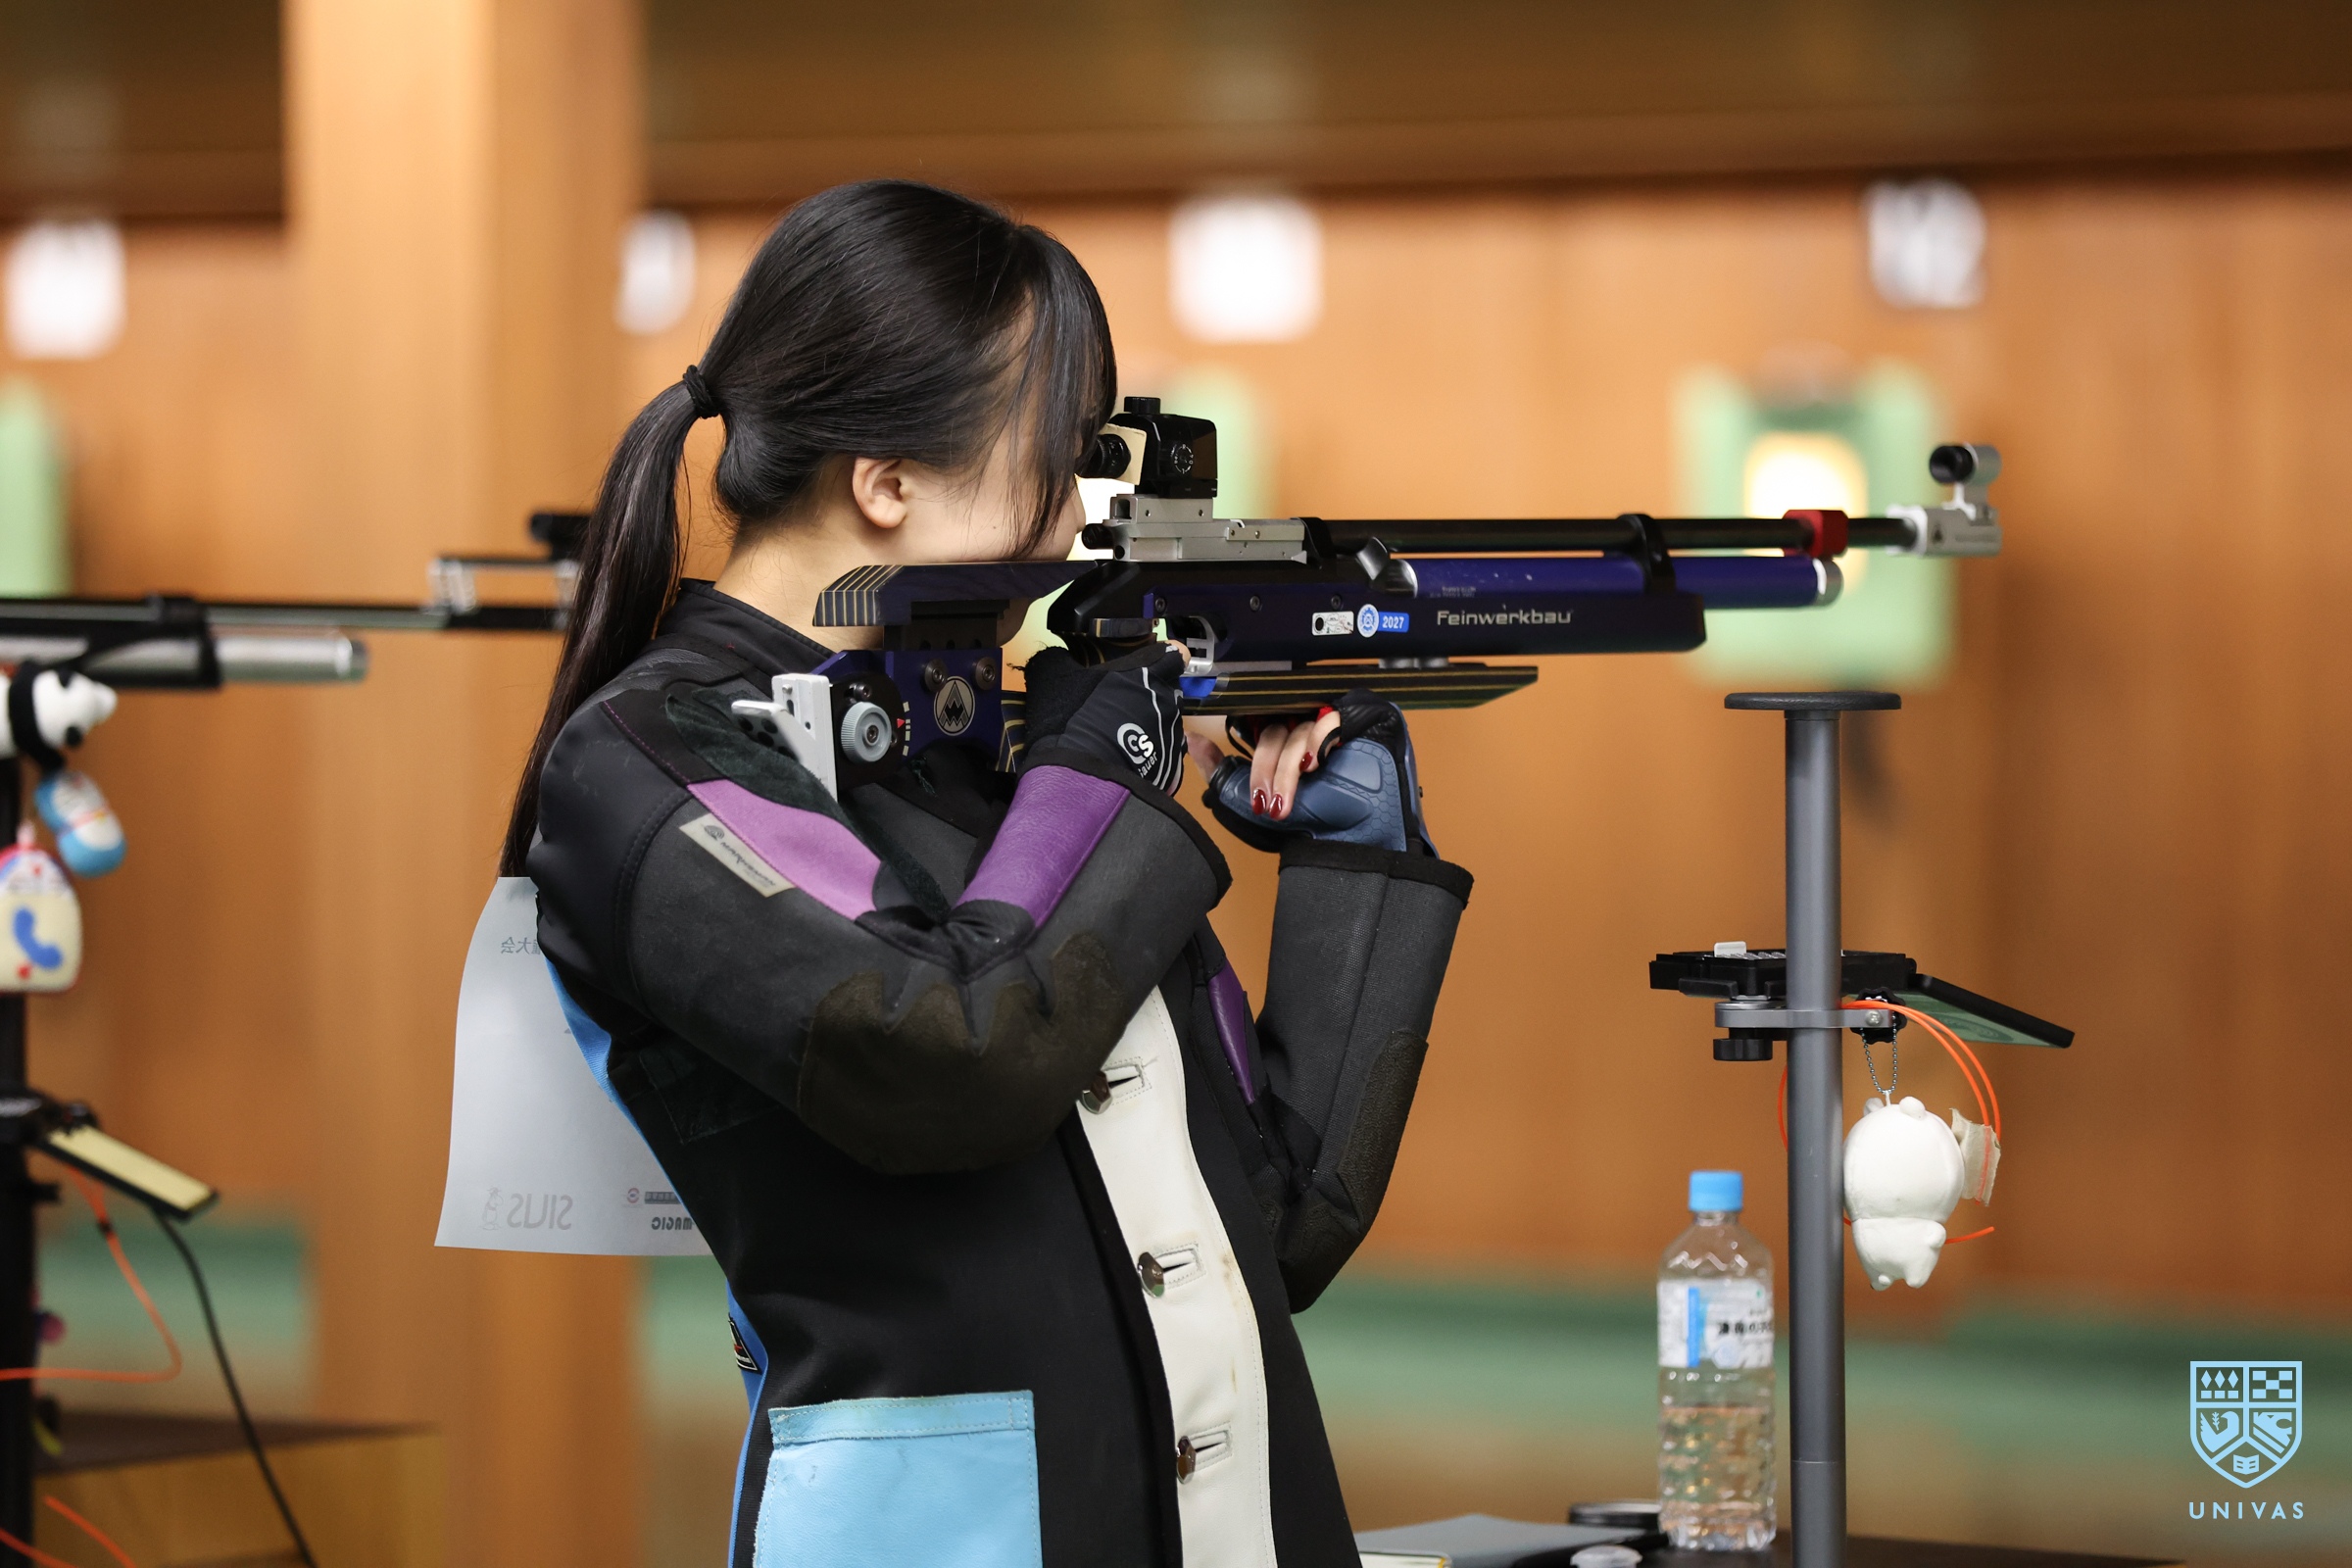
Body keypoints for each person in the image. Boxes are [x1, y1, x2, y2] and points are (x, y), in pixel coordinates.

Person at [506, 179, 1472, 1568]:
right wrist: (1114, 762)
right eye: (1054, 465)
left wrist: (1352, 856)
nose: (1076, 520)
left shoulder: (992, 757)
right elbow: (953, 1050)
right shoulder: (648, 763)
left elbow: (1275, 1223)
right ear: (887, 481)